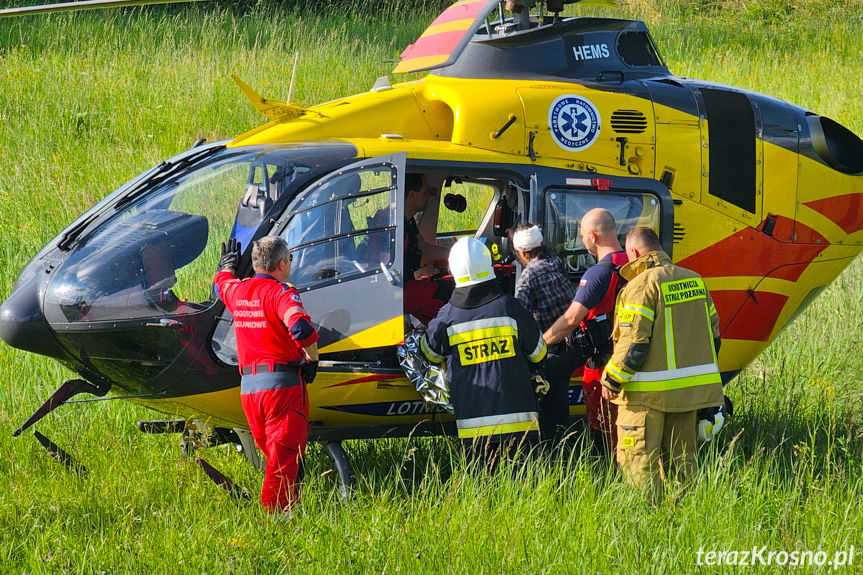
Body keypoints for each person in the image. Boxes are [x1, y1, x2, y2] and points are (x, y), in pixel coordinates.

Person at [600, 227, 722, 501]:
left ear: (633, 253)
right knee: (683, 463)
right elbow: (714, 339)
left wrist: (612, 379)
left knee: (638, 461)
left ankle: (647, 519)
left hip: (645, 397)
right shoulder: (695, 281)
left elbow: (634, 344)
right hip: (687, 396)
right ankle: (684, 515)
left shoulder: (641, 285)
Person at [420, 237, 547, 468]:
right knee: (525, 488)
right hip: (521, 425)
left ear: (453, 271)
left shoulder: (448, 316)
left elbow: (429, 354)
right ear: (489, 267)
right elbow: (539, 355)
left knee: (483, 490)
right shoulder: (510, 308)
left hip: (474, 428)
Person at [214, 236, 319, 513]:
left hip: (250, 392)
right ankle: (276, 524)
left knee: (278, 461)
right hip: (282, 392)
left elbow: (221, 283)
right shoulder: (282, 293)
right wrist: (311, 358)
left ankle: (289, 512)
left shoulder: (238, 292)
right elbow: (301, 329)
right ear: (282, 264)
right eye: (291, 261)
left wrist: (226, 267)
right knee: (281, 468)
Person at [543, 208, 628, 454]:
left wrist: (540, 344)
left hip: (601, 366)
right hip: (629, 360)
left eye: (581, 236)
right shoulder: (633, 265)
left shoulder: (598, 274)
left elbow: (571, 319)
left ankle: (609, 475)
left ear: (593, 236)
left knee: (603, 428)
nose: (581, 241)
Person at [511, 223, 575, 448]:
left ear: (522, 253)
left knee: (550, 407)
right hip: (572, 345)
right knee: (560, 402)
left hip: (551, 350)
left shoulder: (529, 276)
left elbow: (519, 317)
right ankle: (565, 438)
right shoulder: (555, 261)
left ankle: (554, 448)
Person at [403, 173, 453, 324]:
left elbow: (424, 248)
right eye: (425, 193)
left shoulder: (408, 222)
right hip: (398, 291)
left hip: (407, 285)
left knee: (447, 284)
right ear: (412, 195)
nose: (427, 197)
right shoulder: (394, 224)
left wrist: (457, 252)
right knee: (448, 293)